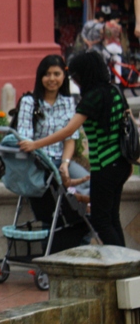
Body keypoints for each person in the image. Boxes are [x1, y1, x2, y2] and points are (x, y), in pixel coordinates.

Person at [19, 51, 132, 246]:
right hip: (121, 164)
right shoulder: (115, 91)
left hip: (104, 165)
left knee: (101, 220)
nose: (75, 80)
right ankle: (127, 265)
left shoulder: (92, 98)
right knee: (112, 217)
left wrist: (36, 144)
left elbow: (69, 130)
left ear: (86, 73)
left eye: (76, 75)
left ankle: (124, 265)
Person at [16, 55, 90, 196]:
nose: (52, 79)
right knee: (62, 189)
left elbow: (70, 138)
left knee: (91, 184)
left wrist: (65, 163)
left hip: (61, 162)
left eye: (57, 74)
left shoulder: (69, 103)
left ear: (64, 76)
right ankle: (74, 196)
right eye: (47, 74)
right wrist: (37, 147)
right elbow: (26, 141)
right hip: (39, 164)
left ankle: (79, 201)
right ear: (40, 77)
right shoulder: (28, 102)